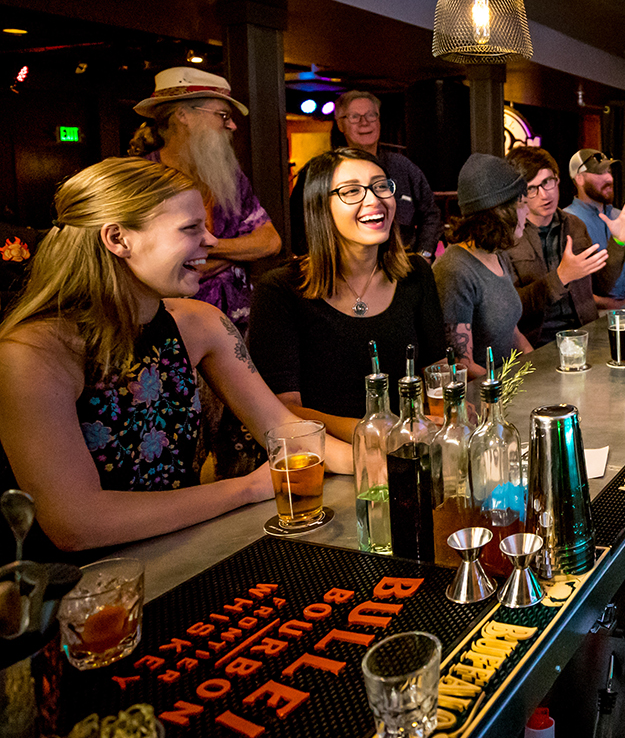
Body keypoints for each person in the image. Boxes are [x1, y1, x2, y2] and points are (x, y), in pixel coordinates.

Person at [0, 158, 350, 561]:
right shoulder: (32, 355)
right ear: (118, 238)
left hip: (185, 552)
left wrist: (381, 458)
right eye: (191, 229)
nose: (212, 241)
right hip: (80, 591)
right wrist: (250, 487)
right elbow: (76, 523)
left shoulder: (199, 322)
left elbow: (284, 428)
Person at [247, 148, 445, 443]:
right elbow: (284, 410)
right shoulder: (280, 290)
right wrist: (371, 434)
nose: (374, 199)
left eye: (381, 186)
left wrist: (447, 412)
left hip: (409, 450)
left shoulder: (415, 274)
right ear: (320, 207)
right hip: (327, 461)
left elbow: (436, 372)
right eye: (352, 191)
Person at [128, 67, 282, 327]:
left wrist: (207, 252)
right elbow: (146, 261)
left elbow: (270, 242)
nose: (232, 125)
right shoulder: (142, 180)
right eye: (223, 115)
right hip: (172, 326)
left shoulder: (230, 177)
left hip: (239, 325)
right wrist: (236, 251)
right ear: (183, 115)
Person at [503, 147, 625, 346]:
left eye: (547, 182)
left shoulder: (574, 225)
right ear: (519, 194)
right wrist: (561, 277)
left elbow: (601, 285)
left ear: (557, 180)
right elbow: (511, 308)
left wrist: (618, 241)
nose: (544, 195)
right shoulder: (509, 236)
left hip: (586, 332)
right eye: (532, 189)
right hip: (539, 343)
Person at [287, 91, 442, 259]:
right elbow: (297, 226)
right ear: (340, 125)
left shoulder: (403, 167)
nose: (365, 122)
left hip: (403, 270)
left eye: (371, 115)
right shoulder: (320, 172)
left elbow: (431, 214)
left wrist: (423, 255)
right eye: (355, 117)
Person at [434, 154, 532, 378]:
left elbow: (511, 332)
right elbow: (461, 364)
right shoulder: (454, 269)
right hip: (486, 398)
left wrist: (535, 366)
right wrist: (509, 385)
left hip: (512, 381)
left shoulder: (497, 253)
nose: (528, 212)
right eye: (523, 204)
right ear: (499, 211)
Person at [562, 148, 625, 309]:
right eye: (600, 173)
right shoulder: (567, 220)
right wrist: (618, 305)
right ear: (579, 179)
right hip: (594, 314)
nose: (609, 178)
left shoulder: (620, 216)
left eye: (609, 171)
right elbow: (572, 289)